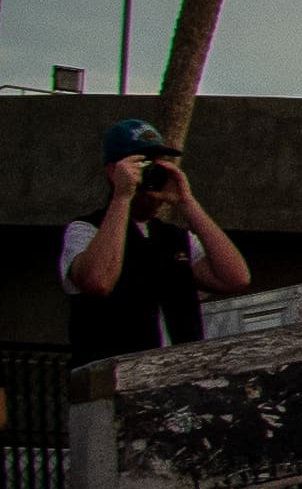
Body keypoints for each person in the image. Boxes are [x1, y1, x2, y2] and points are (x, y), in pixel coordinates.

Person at [57, 119, 251, 359]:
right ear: (112, 171)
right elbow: (98, 282)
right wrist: (122, 197)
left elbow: (236, 278)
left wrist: (187, 203)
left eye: (157, 164)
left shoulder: (175, 238)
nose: (150, 174)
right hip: (111, 382)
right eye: (142, 163)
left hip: (177, 379)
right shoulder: (85, 230)